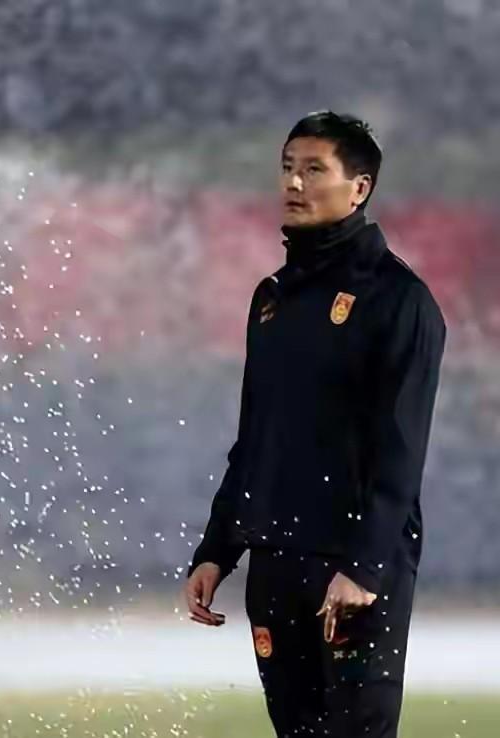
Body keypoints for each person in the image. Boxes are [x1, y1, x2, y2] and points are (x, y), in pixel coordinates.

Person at [183, 110, 446, 737]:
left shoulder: (399, 300)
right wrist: (218, 549)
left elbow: (401, 452)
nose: (293, 183)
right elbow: (256, 437)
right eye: (286, 168)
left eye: (313, 170)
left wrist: (366, 567)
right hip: (276, 560)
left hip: (350, 568)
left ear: (359, 188)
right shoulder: (271, 298)